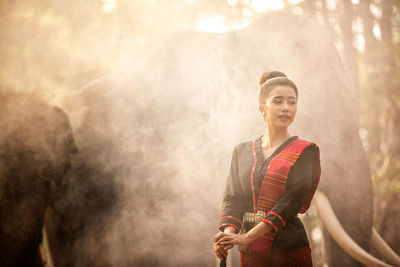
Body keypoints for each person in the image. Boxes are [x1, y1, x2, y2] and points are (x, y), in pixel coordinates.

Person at [213, 71, 321, 266]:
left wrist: (247, 237)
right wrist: (227, 237)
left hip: (290, 250)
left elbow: (291, 202)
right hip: (251, 254)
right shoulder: (241, 151)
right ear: (262, 108)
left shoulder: (306, 151)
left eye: (292, 102)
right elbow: (233, 198)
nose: (286, 108)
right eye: (278, 101)